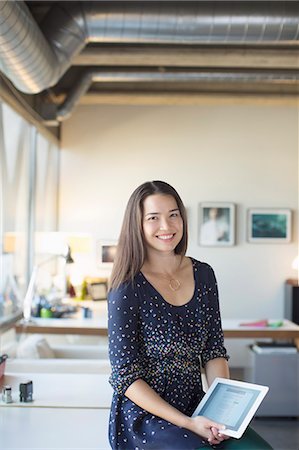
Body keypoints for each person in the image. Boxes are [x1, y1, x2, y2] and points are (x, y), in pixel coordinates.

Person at [108, 180, 273, 450]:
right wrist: (187, 423)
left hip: (198, 404)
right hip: (147, 416)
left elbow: (213, 350)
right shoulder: (127, 286)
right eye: (153, 218)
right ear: (137, 224)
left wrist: (223, 416)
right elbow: (125, 376)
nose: (167, 226)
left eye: (174, 215)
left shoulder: (204, 274)